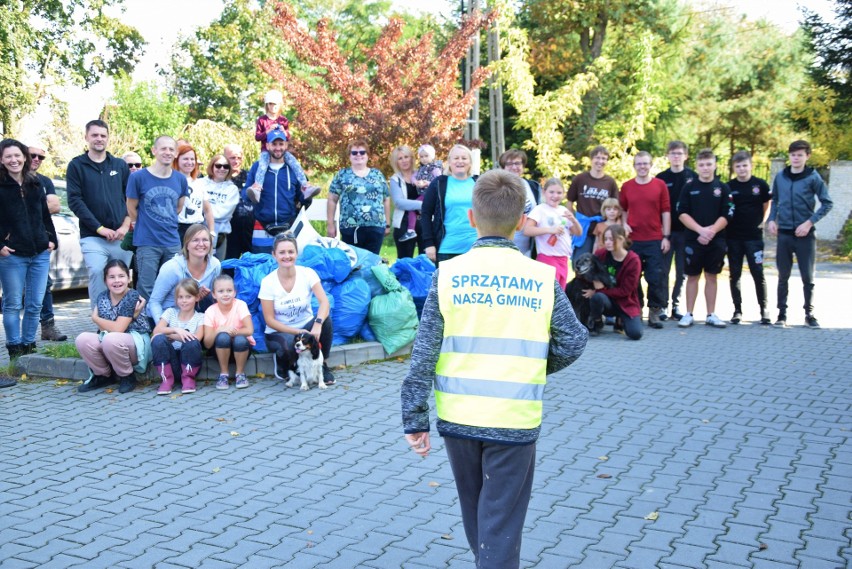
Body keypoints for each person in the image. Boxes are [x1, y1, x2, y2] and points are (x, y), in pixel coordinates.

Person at [401, 169, 588, 569]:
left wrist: (414, 418)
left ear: (471, 217)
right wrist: (533, 367)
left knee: (477, 514)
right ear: (522, 221)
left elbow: (424, 351)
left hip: (458, 417)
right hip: (514, 419)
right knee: (500, 520)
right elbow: (574, 340)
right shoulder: (541, 277)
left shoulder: (447, 275)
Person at [0, 139, 58, 359]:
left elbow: (44, 215)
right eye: (8, 156)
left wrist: (51, 240)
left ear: (24, 157)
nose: (14, 160)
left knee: (34, 303)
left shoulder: (35, 183)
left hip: (40, 253)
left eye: (17, 156)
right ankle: (14, 348)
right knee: (13, 303)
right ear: (2, 160)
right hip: (12, 255)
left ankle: (28, 345)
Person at [66, 119, 133, 309]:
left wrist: (125, 225)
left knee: (120, 277)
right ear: (86, 137)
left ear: (108, 138)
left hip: (121, 236)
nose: (99, 139)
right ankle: (101, 321)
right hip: (93, 236)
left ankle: (121, 320)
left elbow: (130, 199)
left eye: (103, 135)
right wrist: (100, 228)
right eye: (94, 135)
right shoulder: (77, 166)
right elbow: (75, 201)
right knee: (97, 272)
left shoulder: (119, 165)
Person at [766, 140, 833, 328]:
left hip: (805, 234)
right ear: (789, 156)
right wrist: (772, 219)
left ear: (807, 156)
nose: (796, 158)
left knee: (807, 276)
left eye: (800, 155)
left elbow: (827, 203)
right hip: (784, 234)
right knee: (783, 275)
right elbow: (775, 200)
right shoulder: (781, 176)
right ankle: (781, 314)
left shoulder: (813, 177)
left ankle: (809, 314)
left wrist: (809, 222)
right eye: (793, 154)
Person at [259, 233, 335, 385]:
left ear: (296, 253)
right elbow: (269, 320)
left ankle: (322, 364)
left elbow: (324, 302)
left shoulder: (307, 273)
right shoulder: (268, 282)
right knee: (289, 345)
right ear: (274, 255)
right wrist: (298, 333)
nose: (287, 256)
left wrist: (318, 324)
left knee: (326, 320)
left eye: (290, 252)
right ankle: (286, 364)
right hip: (279, 331)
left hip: (305, 324)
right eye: (282, 252)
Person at [126, 135, 189, 302]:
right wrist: (146, 222)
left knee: (175, 286)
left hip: (172, 242)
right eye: (163, 148)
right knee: (145, 287)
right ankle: (144, 325)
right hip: (147, 242)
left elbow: (178, 207)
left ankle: (169, 323)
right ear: (154, 151)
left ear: (176, 153)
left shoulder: (180, 179)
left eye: (171, 149)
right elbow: (131, 207)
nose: (167, 152)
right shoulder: (138, 177)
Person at [676, 149, 734, 328]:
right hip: (693, 241)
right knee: (692, 277)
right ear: (696, 166)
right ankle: (689, 313)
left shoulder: (723, 188)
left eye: (709, 164)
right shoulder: (689, 187)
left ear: (715, 165)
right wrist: (700, 230)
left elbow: (728, 213)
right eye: (701, 165)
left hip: (716, 241)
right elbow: (681, 212)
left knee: (711, 276)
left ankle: (711, 314)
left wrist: (711, 232)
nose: (706, 168)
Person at [75, 260, 151, 394]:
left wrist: (95, 318)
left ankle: (126, 376)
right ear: (105, 280)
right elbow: (108, 328)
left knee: (111, 338)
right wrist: (111, 324)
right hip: (111, 341)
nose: (117, 281)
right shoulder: (102, 297)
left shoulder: (132, 295)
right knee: (82, 339)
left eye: (121, 276)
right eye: (112, 277)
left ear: (129, 278)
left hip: (136, 341)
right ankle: (103, 375)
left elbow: (118, 329)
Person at [619, 151, 671, 329]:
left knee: (655, 277)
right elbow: (623, 210)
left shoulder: (660, 185)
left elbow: (666, 211)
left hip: (655, 239)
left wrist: (666, 237)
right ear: (634, 166)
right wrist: (624, 225)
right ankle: (637, 309)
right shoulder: (627, 186)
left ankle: (655, 311)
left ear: (650, 165)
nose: (642, 167)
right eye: (639, 164)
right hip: (633, 240)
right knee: (633, 277)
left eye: (645, 163)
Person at [245, 128, 312, 253]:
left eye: (281, 144)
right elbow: (245, 195)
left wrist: (307, 195)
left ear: (286, 145)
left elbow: (303, 199)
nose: (278, 148)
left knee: (286, 265)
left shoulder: (294, 169)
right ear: (267, 145)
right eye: (274, 144)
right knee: (262, 267)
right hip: (261, 227)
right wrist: (252, 190)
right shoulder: (257, 167)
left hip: (288, 227)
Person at [726, 151, 772, 325]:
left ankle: (764, 309)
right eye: (738, 166)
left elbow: (767, 203)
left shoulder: (760, 185)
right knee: (735, 275)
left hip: (754, 238)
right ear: (734, 168)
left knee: (758, 274)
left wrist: (764, 221)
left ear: (751, 166)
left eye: (744, 165)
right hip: (734, 238)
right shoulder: (729, 186)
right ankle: (737, 310)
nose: (742, 169)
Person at [28, 142, 67, 342]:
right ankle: (20, 338)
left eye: (40, 157)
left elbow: (55, 205)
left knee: (45, 283)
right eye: (32, 154)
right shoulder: (6, 179)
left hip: (40, 242)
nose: (36, 159)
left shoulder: (44, 181)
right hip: (13, 244)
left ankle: (48, 327)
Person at [326, 139, 391, 255]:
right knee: (353, 263)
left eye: (362, 152)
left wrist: (387, 224)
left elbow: (386, 198)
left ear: (368, 155)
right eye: (354, 153)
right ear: (349, 156)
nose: (358, 155)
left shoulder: (377, 175)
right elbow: (332, 200)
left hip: (376, 227)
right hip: (350, 228)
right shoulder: (342, 175)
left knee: (372, 263)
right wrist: (330, 224)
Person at [249, 90, 316, 198]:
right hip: (267, 150)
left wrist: (284, 131)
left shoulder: (283, 120)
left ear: (279, 105)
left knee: (294, 163)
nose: (273, 106)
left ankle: (305, 186)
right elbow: (257, 137)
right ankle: (257, 189)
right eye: (270, 104)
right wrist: (268, 131)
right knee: (262, 166)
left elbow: (287, 137)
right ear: (267, 105)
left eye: (275, 104)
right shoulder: (262, 120)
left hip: (281, 150)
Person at [657, 141, 697, 320]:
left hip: (687, 233)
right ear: (667, 156)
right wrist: (661, 231)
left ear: (686, 156)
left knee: (682, 271)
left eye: (679, 153)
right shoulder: (660, 178)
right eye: (673, 153)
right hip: (666, 233)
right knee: (664, 270)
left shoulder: (693, 177)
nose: (676, 157)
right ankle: (663, 305)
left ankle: (676, 304)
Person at [148, 224, 221, 323]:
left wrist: (203, 296)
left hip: (194, 314)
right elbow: (154, 302)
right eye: (195, 240)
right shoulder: (172, 268)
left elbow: (214, 301)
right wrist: (163, 327)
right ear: (187, 245)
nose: (201, 244)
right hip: (167, 315)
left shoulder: (215, 265)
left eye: (205, 240)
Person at [582, 224, 643, 340]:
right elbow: (588, 269)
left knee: (636, 334)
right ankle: (597, 321)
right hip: (606, 301)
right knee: (597, 298)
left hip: (626, 302)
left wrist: (599, 290)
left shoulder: (633, 260)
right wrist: (593, 284)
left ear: (621, 239)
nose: (608, 242)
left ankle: (620, 320)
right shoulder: (601, 254)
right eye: (606, 239)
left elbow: (625, 291)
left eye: (611, 239)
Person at [421, 144, 478, 265]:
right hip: (447, 248)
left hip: (476, 248)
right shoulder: (439, 183)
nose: (460, 161)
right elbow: (425, 214)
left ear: (470, 162)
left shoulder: (479, 183)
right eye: (456, 158)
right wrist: (429, 243)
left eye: (464, 158)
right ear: (449, 162)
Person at [523, 177, 581, 288]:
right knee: (550, 293)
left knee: (560, 295)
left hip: (563, 260)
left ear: (563, 194)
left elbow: (578, 232)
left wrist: (573, 220)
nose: (555, 196)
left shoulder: (563, 211)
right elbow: (527, 230)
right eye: (551, 192)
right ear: (544, 192)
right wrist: (550, 230)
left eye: (559, 192)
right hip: (547, 258)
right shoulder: (540, 209)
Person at [151, 278, 205, 395]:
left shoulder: (200, 317)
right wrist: (177, 330)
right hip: (172, 360)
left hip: (190, 362)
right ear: (176, 299)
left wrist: (171, 336)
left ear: (196, 298)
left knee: (191, 343)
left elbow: (197, 338)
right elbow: (157, 330)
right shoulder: (170, 312)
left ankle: (188, 379)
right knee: (159, 339)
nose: (184, 301)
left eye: (188, 297)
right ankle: (166, 380)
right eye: (180, 297)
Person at [567, 145, 619, 262]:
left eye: (604, 158)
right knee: (580, 263)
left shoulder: (610, 182)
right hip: (583, 227)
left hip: (602, 229)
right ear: (591, 159)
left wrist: (615, 225)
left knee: (601, 263)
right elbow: (570, 202)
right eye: (597, 158)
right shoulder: (580, 179)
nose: (600, 161)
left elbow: (616, 207)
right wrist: (572, 223)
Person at [203, 274, 255, 390]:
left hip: (242, 349)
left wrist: (230, 331)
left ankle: (240, 374)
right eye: (221, 291)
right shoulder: (210, 311)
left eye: (229, 290)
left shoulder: (241, 305)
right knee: (222, 337)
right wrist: (219, 330)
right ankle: (223, 375)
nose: (225, 294)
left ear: (235, 292)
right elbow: (207, 343)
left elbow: (249, 330)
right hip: (219, 350)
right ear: (214, 294)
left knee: (240, 339)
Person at [499, 149, 542, 256]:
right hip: (503, 247)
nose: (514, 167)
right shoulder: (496, 187)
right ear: (503, 167)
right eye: (509, 164)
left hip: (528, 248)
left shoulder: (533, 187)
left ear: (523, 166)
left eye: (517, 163)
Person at [197, 154, 239, 259]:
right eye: (218, 166)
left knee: (216, 271)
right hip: (197, 234)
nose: (222, 169)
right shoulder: (199, 183)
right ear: (212, 166)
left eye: (226, 166)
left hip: (219, 238)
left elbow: (222, 214)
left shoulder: (232, 189)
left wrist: (204, 211)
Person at [174, 143, 215, 245]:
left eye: (192, 159)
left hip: (197, 228)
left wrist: (211, 232)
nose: (189, 162)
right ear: (177, 160)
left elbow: (207, 210)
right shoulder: (170, 181)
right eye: (185, 159)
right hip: (176, 229)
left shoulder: (200, 183)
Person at [402, 144, 443, 242]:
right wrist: (416, 182)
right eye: (421, 157)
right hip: (422, 195)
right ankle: (412, 230)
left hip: (430, 195)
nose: (424, 159)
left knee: (415, 209)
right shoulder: (421, 169)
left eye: (426, 156)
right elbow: (413, 177)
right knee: (414, 210)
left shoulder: (435, 169)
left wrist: (427, 183)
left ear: (432, 156)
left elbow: (439, 181)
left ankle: (411, 230)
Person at [389, 145, 423, 258]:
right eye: (400, 158)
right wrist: (422, 205)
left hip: (424, 223)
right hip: (403, 224)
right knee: (405, 262)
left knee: (427, 261)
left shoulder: (421, 175)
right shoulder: (395, 179)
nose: (404, 160)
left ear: (412, 158)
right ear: (396, 162)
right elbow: (399, 202)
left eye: (406, 157)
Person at [223, 143, 253, 261]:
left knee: (251, 263)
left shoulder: (250, 177)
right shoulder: (220, 178)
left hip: (249, 230)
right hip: (228, 232)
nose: (236, 161)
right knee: (228, 264)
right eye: (232, 158)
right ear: (225, 158)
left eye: (239, 158)